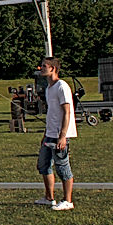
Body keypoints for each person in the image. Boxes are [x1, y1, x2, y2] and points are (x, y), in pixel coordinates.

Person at [36, 56, 76, 210]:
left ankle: (68, 200)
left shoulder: (62, 86)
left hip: (60, 135)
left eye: (44, 66)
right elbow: (51, 113)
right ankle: (49, 197)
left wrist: (63, 136)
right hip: (50, 133)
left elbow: (67, 112)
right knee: (43, 165)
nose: (41, 68)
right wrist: (45, 133)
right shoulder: (49, 88)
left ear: (52, 68)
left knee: (62, 167)